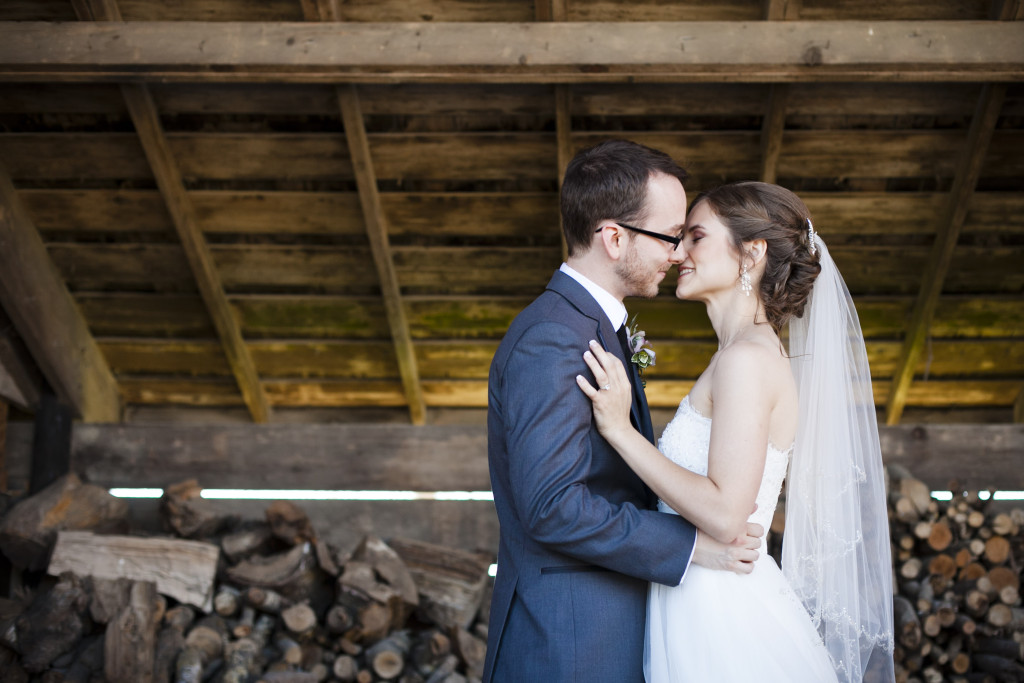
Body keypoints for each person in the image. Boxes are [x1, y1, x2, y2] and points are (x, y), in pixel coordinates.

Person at [577, 181, 896, 682]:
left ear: (751, 254)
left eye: (696, 237)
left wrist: (620, 431)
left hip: (721, 615)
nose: (678, 251)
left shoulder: (747, 360)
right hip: (698, 595)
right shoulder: (739, 354)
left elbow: (727, 514)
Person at [482, 141, 765, 682]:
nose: (678, 253)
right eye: (669, 236)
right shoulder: (553, 338)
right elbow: (553, 506)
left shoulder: (591, 328)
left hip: (602, 630)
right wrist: (691, 547)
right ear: (613, 238)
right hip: (568, 641)